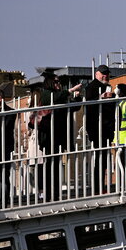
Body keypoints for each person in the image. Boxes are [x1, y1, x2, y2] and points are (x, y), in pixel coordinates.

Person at [29, 72, 77, 202]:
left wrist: (77, 97)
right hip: (48, 134)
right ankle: (49, 194)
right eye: (56, 82)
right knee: (49, 164)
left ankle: (55, 194)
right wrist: (69, 91)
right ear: (50, 83)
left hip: (59, 134)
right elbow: (53, 98)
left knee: (56, 164)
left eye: (59, 82)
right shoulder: (46, 94)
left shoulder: (60, 96)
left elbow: (73, 108)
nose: (58, 84)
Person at [84, 65, 116, 193]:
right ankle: (98, 187)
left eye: (107, 73)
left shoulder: (107, 86)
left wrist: (111, 97)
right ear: (97, 74)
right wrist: (101, 98)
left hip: (106, 127)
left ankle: (100, 186)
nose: (106, 76)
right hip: (97, 128)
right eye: (103, 73)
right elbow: (89, 104)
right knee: (100, 157)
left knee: (103, 157)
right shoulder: (91, 87)